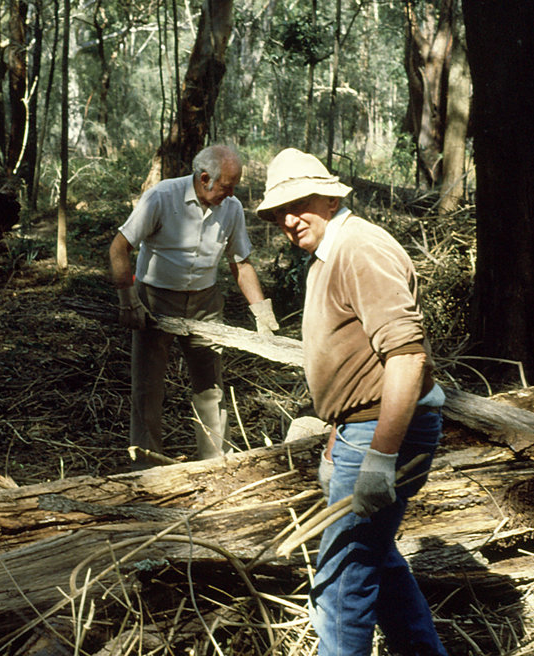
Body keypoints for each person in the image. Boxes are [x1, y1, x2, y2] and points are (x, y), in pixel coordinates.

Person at [257, 148, 447, 656]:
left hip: (386, 432)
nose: (288, 220)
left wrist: (380, 457)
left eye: (298, 205)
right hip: (357, 432)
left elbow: (406, 358)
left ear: (330, 195)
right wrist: (334, 446)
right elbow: (358, 364)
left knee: (341, 580)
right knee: (375, 560)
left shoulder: (360, 248)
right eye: (278, 213)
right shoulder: (328, 252)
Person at [109, 144, 279, 468]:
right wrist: (128, 301)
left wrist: (262, 311)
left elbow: (241, 264)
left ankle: (215, 463)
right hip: (155, 300)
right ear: (204, 179)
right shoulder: (161, 197)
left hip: (205, 303)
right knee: (147, 389)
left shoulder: (232, 208)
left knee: (211, 388)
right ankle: (146, 466)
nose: (231, 194)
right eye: (227, 186)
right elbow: (119, 248)